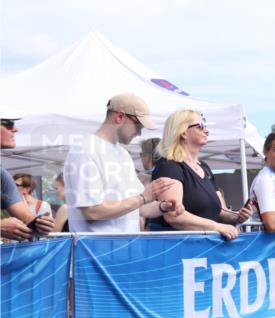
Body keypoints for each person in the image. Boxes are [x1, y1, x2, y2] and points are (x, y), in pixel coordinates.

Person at [63, 93, 181, 233]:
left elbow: (140, 207)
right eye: (138, 125)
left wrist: (163, 206)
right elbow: (92, 213)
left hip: (126, 245)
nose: (139, 133)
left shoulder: (123, 154)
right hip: (96, 247)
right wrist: (143, 198)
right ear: (120, 116)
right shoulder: (85, 150)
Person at [149, 109, 252, 239]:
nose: (207, 131)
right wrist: (217, 227)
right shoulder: (169, 167)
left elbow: (221, 211)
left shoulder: (204, 168)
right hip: (179, 247)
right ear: (183, 132)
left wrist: (237, 216)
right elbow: (174, 216)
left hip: (205, 247)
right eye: (200, 126)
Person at [2, 111, 57, 241]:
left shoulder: (2, 175)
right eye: (9, 124)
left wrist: (40, 223)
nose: (15, 129)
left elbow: (27, 218)